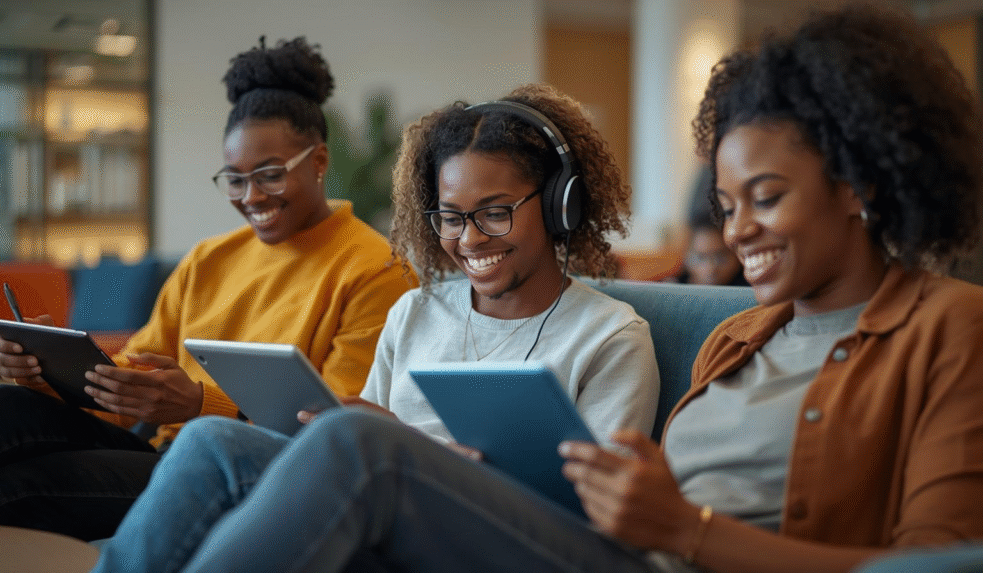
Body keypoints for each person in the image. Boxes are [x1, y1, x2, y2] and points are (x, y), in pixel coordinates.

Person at [98, 6, 983, 572]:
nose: (734, 231)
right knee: (219, 442)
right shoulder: (737, 337)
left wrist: (683, 526)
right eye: (724, 203)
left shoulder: (950, 329)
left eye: (767, 197)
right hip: (608, 543)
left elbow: (935, 563)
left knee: (362, 448)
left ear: (861, 182)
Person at [91, 83, 661, 572]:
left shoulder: (609, 338)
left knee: (360, 440)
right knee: (211, 440)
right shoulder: (417, 312)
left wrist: (413, 452)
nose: (470, 239)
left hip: (518, 548)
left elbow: (605, 516)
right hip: (390, 529)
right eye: (450, 217)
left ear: (562, 205)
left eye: (494, 212)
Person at [0, 37, 413, 541]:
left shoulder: (375, 270)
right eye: (234, 180)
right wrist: (44, 371)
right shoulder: (209, 259)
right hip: (160, 451)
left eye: (269, 175)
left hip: (250, 470)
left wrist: (199, 402)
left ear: (320, 160)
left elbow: (337, 428)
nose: (251, 196)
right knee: (1, 405)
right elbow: (126, 381)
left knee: (13, 489)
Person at [673, 205, 747, 286]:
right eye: (700, 258)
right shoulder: (672, 288)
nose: (710, 269)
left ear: (738, 255)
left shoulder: (752, 290)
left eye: (720, 258)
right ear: (686, 258)